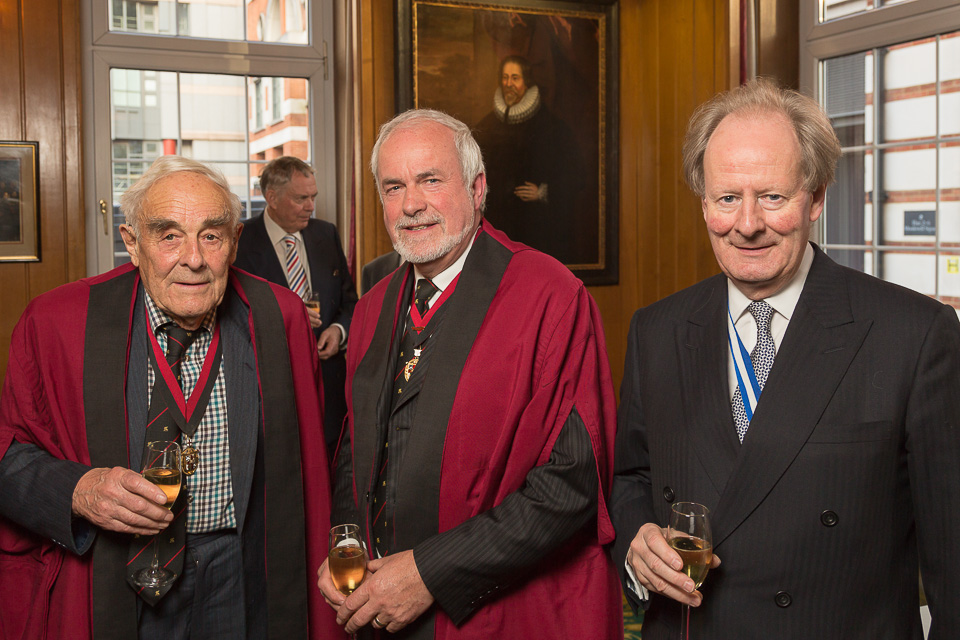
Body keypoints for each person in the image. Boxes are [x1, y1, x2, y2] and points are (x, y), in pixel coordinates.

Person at [611, 77, 960, 639]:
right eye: (727, 199)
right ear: (704, 204)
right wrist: (637, 546)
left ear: (816, 198)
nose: (747, 225)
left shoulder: (913, 336)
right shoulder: (657, 330)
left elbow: (954, 560)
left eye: (772, 197)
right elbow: (632, 476)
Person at [0, 156, 338, 639]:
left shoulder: (277, 317)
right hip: (113, 578)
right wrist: (77, 490)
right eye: (169, 235)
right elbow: (7, 457)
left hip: (241, 573)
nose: (194, 259)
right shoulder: (56, 325)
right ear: (132, 243)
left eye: (211, 235)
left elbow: (310, 464)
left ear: (235, 243)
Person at [316, 109, 621, 640]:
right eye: (393, 187)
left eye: (430, 180)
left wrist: (431, 573)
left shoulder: (549, 295)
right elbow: (356, 447)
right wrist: (348, 545)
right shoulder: (372, 308)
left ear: (478, 188)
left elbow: (572, 487)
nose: (411, 204)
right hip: (379, 604)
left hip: (491, 611)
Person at [233, 156, 358, 449]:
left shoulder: (325, 234)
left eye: (313, 197)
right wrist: (285, 315)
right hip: (271, 386)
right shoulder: (240, 242)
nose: (311, 206)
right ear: (272, 197)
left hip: (329, 385)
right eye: (301, 198)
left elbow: (350, 301)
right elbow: (232, 317)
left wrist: (339, 330)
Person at [474, 56, 582, 263]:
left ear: (527, 82)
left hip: (538, 226)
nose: (508, 84)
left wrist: (543, 192)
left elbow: (576, 175)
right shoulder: (486, 126)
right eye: (505, 78)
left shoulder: (552, 127)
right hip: (499, 226)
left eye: (515, 78)